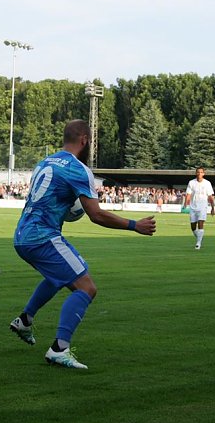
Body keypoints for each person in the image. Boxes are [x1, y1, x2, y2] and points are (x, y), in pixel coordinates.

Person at [9, 120, 156, 369]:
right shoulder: (78, 170)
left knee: (60, 277)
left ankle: (25, 319)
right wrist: (134, 225)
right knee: (86, 287)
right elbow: (96, 215)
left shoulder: (45, 162)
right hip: (43, 236)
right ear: (85, 140)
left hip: (22, 235)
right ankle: (59, 348)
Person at [184, 167, 215, 250]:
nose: (199, 174)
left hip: (203, 206)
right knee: (193, 227)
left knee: (200, 223)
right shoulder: (191, 182)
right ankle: (200, 237)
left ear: (203, 174)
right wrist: (185, 204)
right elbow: (188, 194)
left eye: (201, 172)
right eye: (198, 172)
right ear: (196, 173)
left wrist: (212, 208)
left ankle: (198, 243)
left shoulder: (207, 183)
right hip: (193, 207)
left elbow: (210, 196)